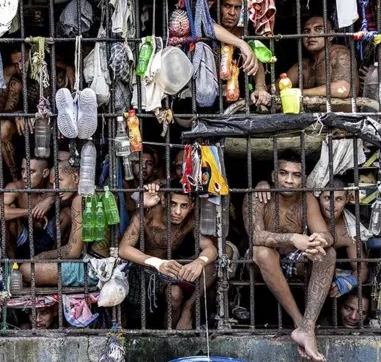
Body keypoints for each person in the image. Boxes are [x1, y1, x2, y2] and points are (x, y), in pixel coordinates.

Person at [242, 150, 335, 361]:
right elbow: (255, 236)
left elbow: (326, 234)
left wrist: (318, 241)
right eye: (284, 174)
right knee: (264, 253)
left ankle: (307, 327)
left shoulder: (307, 198)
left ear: (304, 178)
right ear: (274, 175)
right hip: (257, 263)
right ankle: (299, 322)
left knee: (328, 254)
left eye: (296, 175)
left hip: (293, 260)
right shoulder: (258, 196)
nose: (289, 181)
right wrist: (293, 238)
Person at [119, 180, 232, 329]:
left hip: (169, 271)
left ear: (191, 206)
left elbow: (211, 249)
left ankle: (176, 330)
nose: (177, 212)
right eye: (173, 204)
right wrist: (157, 263)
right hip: (143, 269)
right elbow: (123, 249)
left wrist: (199, 262)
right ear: (164, 201)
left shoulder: (190, 222)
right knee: (132, 314)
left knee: (176, 293)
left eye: (183, 206)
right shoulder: (148, 215)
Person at [19, 161, 108, 287]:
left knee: (26, 270)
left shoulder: (79, 200)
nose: (56, 188)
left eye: (59, 180)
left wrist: (42, 256)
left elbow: (73, 252)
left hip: (95, 270)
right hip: (106, 264)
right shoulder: (98, 191)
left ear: (76, 177)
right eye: (53, 184)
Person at [0, 157, 55, 259]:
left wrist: (51, 200)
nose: (24, 176)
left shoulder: (53, 186)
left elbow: (74, 189)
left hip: (50, 237)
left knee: (67, 214)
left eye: (31, 172)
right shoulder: (16, 187)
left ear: (45, 173)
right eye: (23, 170)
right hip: (24, 238)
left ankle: (58, 260)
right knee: (7, 216)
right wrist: (29, 212)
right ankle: (13, 265)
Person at [279, 16, 358, 99]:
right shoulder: (305, 64)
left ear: (331, 35)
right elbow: (279, 86)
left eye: (318, 29)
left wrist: (299, 92)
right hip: (314, 111)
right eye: (306, 31)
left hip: (340, 111)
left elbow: (343, 88)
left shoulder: (339, 53)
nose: (311, 35)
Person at [217, 0, 271, 106]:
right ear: (218, 6)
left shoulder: (246, 33)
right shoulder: (208, 28)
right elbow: (211, 27)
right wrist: (242, 44)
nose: (232, 13)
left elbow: (257, 61)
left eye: (237, 8)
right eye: (227, 6)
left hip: (238, 99)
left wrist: (260, 88)